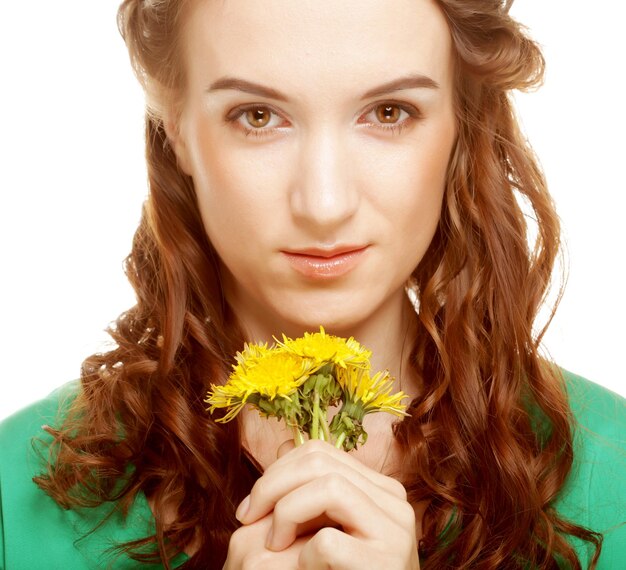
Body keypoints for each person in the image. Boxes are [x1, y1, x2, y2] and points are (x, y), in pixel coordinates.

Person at [0, 0, 624, 568]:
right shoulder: (17, 494)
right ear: (176, 127)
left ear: (461, 121)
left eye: (389, 112)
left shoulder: (613, 469)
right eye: (258, 116)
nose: (324, 204)